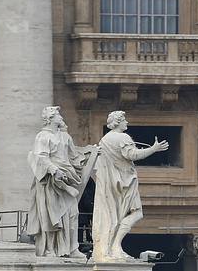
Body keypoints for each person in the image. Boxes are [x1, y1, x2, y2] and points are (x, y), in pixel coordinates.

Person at [91, 109, 168, 261]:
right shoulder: (122, 137)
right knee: (136, 213)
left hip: (111, 183)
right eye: (124, 120)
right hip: (124, 182)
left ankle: (112, 246)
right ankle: (116, 246)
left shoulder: (105, 139)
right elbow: (132, 155)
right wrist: (154, 149)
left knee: (116, 215)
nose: (127, 122)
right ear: (118, 122)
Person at [27, 105, 92, 258]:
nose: (60, 117)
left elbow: (75, 156)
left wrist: (92, 153)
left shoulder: (65, 137)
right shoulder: (43, 136)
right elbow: (41, 157)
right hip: (50, 180)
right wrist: (54, 170)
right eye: (57, 114)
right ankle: (50, 249)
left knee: (73, 213)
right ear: (50, 118)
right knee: (51, 216)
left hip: (66, 178)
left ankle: (72, 248)